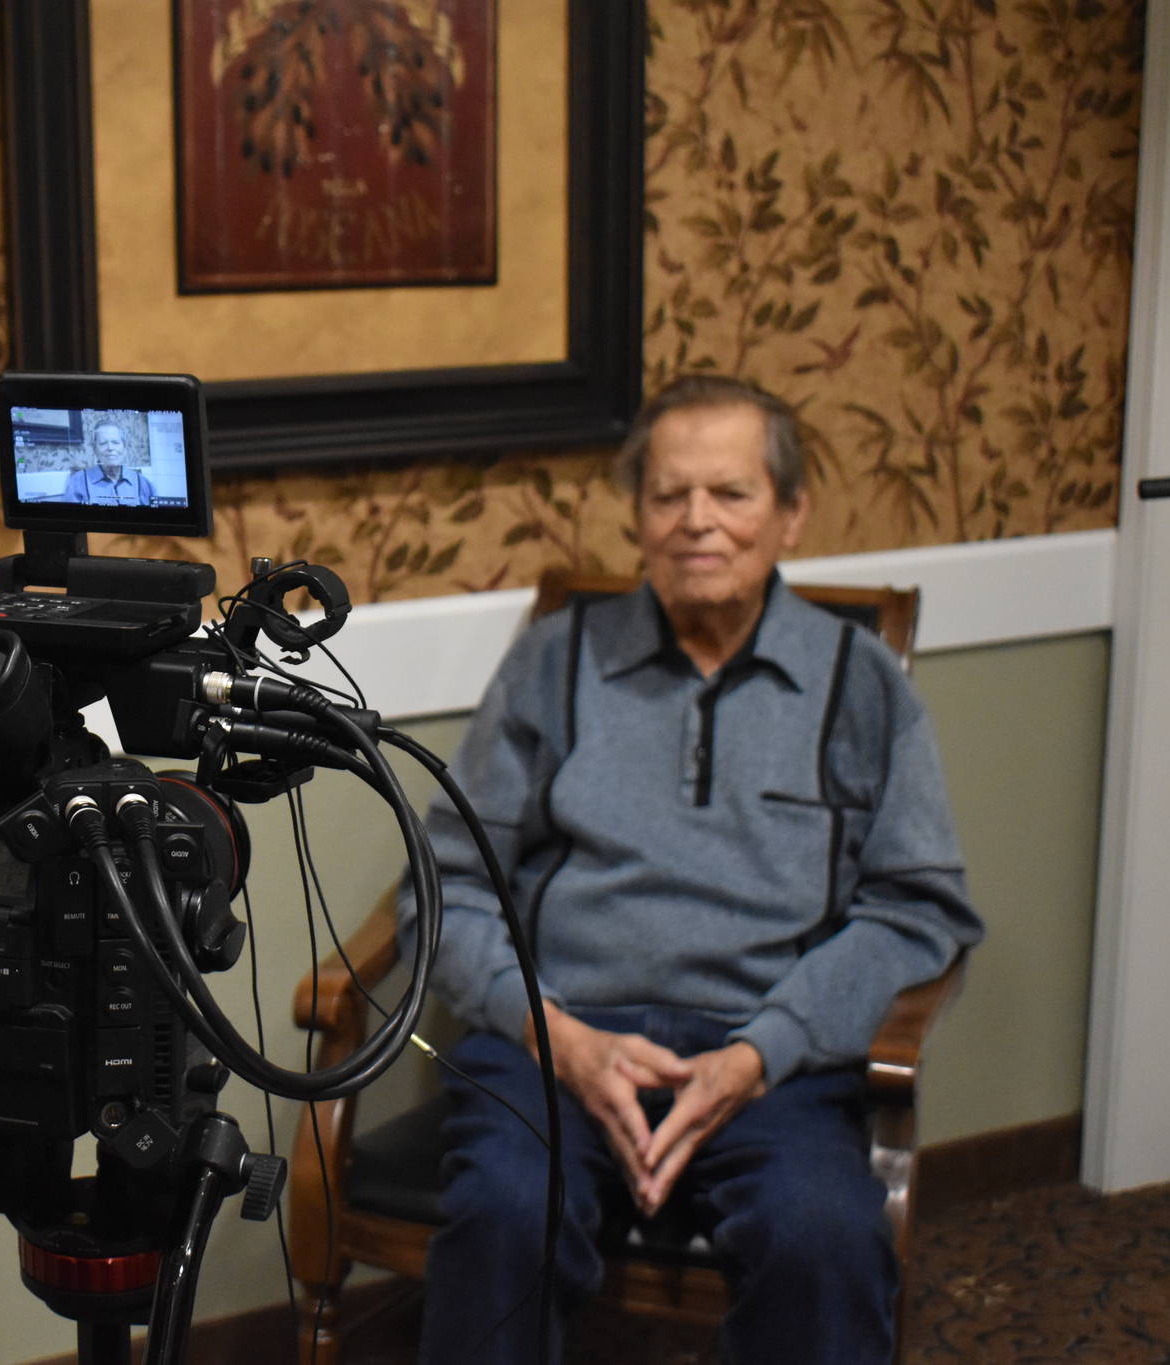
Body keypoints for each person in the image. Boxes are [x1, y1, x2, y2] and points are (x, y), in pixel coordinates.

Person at [401, 375, 983, 1363]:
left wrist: (765, 1048)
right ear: (635, 516)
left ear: (789, 515)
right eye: (666, 496)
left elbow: (914, 907)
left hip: (767, 1055)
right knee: (504, 1212)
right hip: (558, 1036)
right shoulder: (553, 661)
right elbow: (449, 884)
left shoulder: (859, 686)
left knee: (823, 1240)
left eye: (730, 493)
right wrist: (554, 1036)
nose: (694, 523)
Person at [60, 419, 156, 505]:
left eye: (115, 442)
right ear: (95, 450)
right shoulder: (77, 481)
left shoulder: (143, 483)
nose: (110, 448)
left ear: (125, 448)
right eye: (103, 443)